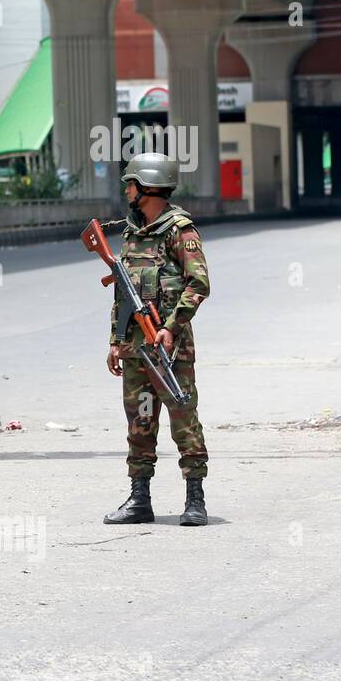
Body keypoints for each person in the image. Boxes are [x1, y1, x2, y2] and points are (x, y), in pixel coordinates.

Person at [104, 152, 210, 527]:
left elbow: (199, 284)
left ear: (147, 187)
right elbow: (123, 292)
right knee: (140, 424)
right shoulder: (132, 231)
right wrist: (116, 340)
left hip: (171, 348)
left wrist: (171, 327)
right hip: (135, 349)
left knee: (184, 419)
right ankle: (139, 499)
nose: (127, 190)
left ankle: (195, 499)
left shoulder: (179, 230)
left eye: (131, 184)